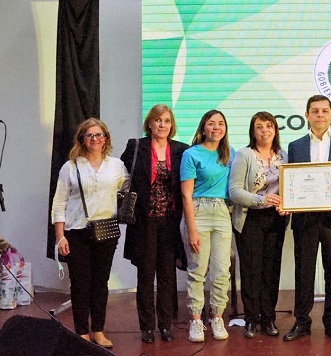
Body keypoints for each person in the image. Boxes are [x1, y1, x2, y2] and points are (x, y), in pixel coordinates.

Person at [283, 95, 331, 342]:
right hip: (305, 218)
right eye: (315, 111)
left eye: (324, 111)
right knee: (303, 271)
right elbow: (291, 181)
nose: (320, 115)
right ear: (306, 115)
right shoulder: (295, 146)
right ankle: (302, 321)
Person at [52, 118, 128, 348]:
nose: (95, 139)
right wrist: (60, 236)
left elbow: (128, 191)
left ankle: (98, 330)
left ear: (106, 138)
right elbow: (59, 202)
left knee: (100, 283)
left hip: (106, 232)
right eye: (90, 135)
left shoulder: (116, 166)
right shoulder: (71, 166)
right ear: (82, 140)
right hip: (76, 233)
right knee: (80, 284)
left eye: (99, 135)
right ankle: (81, 332)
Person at [121, 104, 189, 343]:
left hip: (170, 222)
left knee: (168, 275)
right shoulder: (136, 146)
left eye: (167, 121)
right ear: (149, 123)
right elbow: (121, 177)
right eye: (158, 120)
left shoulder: (181, 150)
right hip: (143, 222)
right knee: (146, 275)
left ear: (172, 126)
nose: (162, 125)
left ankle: (166, 324)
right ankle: (147, 327)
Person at [229, 111, 289, 339]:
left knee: (271, 271)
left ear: (275, 129)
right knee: (251, 270)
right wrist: (261, 200)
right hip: (250, 218)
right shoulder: (244, 155)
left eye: (269, 126)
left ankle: (268, 318)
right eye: (259, 127)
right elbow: (234, 191)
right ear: (253, 132)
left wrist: (288, 204)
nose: (265, 130)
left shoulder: (284, 155)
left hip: (276, 219)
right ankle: (251, 320)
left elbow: (290, 188)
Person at [180, 109, 235, 343]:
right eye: (211, 124)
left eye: (220, 124)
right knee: (197, 270)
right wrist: (191, 228)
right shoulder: (191, 154)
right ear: (203, 128)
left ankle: (217, 316)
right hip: (198, 211)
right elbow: (186, 194)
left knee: (222, 271)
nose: (216, 128)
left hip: (222, 212)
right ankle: (196, 320)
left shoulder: (230, 154)